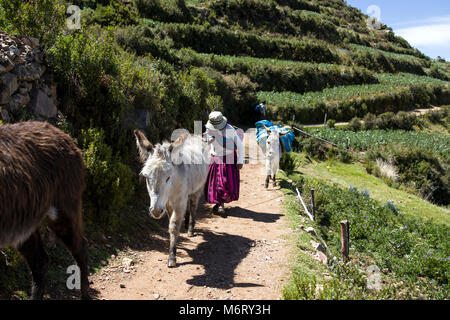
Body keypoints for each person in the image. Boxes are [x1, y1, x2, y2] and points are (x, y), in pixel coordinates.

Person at [204, 111, 244, 214]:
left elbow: (239, 145)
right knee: (214, 181)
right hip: (215, 157)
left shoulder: (230, 130)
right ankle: (219, 203)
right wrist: (211, 150)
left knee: (224, 181)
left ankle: (220, 204)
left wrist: (240, 161)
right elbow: (209, 141)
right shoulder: (209, 129)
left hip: (228, 157)